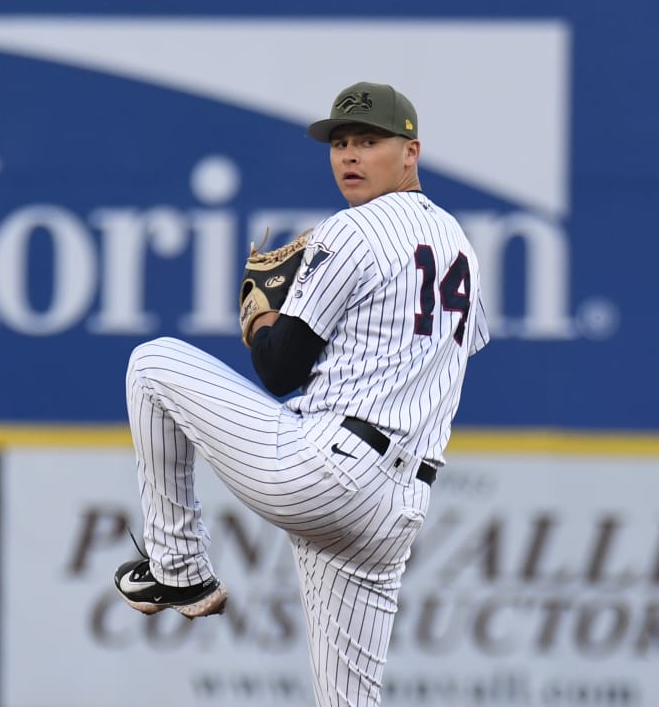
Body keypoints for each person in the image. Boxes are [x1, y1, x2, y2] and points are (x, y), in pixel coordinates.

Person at [115, 81, 489, 706]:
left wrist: (263, 319)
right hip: (396, 510)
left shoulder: (354, 229)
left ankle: (178, 570)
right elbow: (459, 345)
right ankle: (177, 571)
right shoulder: (461, 247)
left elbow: (280, 369)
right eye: (340, 142)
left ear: (410, 152)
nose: (349, 155)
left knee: (151, 365)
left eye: (369, 141)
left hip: (324, 472)